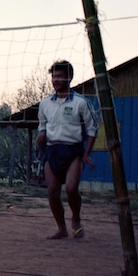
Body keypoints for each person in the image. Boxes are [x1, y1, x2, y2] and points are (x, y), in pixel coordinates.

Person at [36, 59, 97, 240]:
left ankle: (76, 219)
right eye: (54, 77)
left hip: (73, 151)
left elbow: (93, 129)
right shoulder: (45, 104)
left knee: (71, 189)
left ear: (69, 78)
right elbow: (42, 125)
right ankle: (61, 228)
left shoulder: (80, 103)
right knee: (52, 191)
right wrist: (41, 134)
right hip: (52, 150)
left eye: (60, 77)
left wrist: (86, 154)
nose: (56, 80)